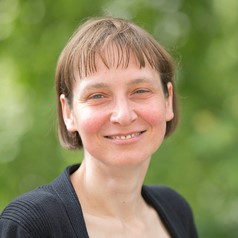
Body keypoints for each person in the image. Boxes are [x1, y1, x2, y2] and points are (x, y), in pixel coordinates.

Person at [0, 16, 198, 237]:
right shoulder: (31, 225)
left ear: (167, 101)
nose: (123, 115)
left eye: (140, 91)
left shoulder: (176, 212)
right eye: (98, 96)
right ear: (69, 112)